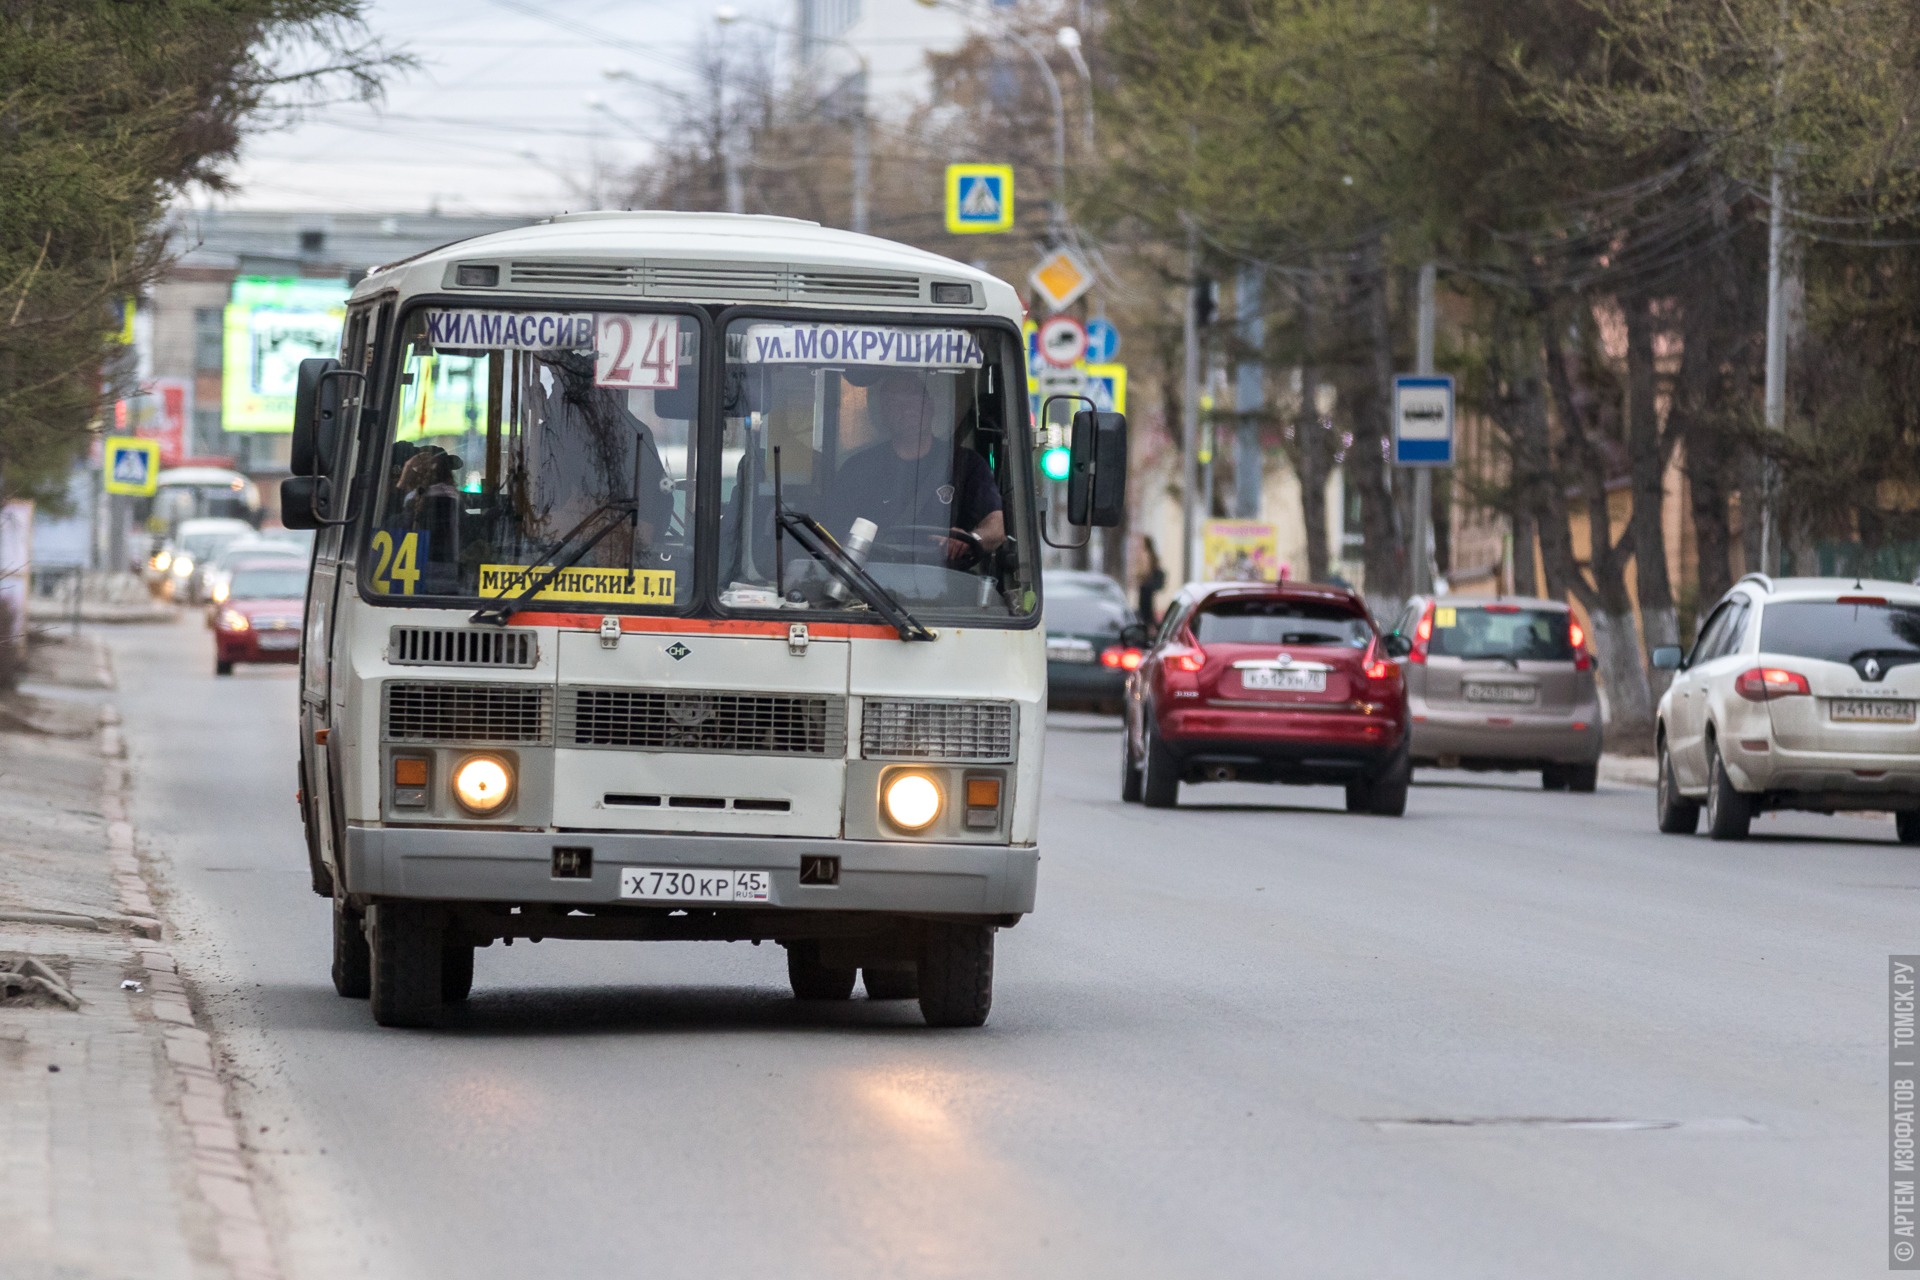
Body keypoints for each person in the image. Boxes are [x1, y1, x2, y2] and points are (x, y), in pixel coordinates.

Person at [829, 369, 1004, 565]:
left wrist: (971, 539)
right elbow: (832, 537)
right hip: (869, 586)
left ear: (929, 405)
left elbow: (997, 527)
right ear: (883, 413)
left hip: (949, 585)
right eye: (895, 402)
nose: (907, 408)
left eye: (914, 397)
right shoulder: (857, 470)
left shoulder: (966, 464)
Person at [1137, 535, 1166, 626]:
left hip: (1145, 585)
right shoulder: (1152, 554)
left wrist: (1138, 575)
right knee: (1149, 609)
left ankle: (1147, 627)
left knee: (1144, 610)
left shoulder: (1146, 554)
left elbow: (1145, 571)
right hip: (1149, 586)